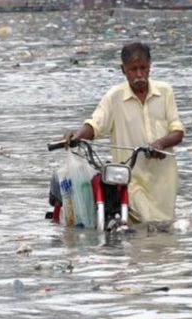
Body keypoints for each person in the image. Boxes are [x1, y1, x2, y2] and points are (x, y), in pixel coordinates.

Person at [63, 42, 185, 223]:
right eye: (133, 69)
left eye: (143, 68)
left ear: (150, 66)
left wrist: (160, 144)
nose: (139, 75)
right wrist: (76, 136)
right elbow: (95, 124)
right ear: (123, 70)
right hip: (130, 178)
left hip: (164, 180)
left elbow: (178, 131)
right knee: (145, 223)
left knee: (165, 230)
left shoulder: (165, 92)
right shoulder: (114, 97)